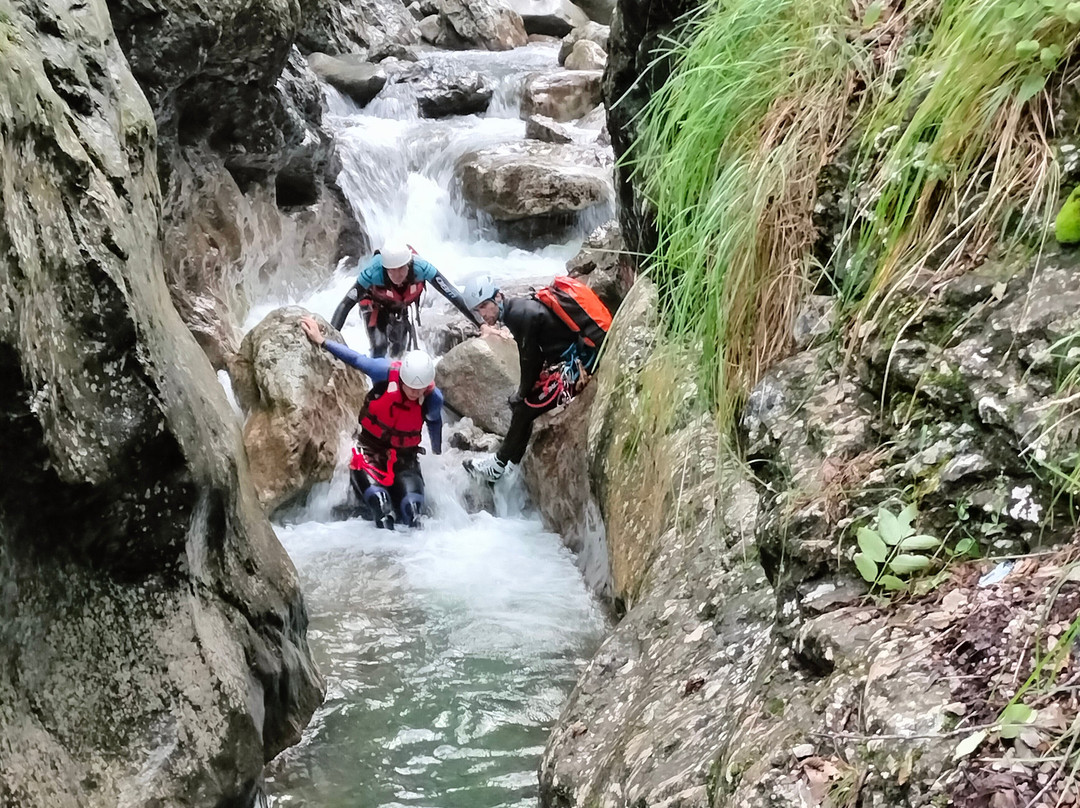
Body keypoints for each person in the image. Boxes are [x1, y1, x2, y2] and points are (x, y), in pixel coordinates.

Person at [459, 275, 609, 482]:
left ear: (499, 297)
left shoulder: (520, 315)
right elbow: (534, 356)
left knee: (523, 409)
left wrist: (522, 393)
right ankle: (513, 462)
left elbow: (530, 359)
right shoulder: (518, 309)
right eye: (478, 310)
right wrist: (524, 392)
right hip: (571, 360)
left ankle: (498, 464)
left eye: (485, 306)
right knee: (522, 406)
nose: (483, 314)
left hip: (578, 368)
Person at [300, 314, 443, 529]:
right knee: (382, 509)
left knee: (412, 514)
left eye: (420, 388)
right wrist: (322, 341)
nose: (415, 392)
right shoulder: (384, 374)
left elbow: (434, 423)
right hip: (368, 452)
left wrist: (438, 451)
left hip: (405, 460)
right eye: (410, 386)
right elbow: (357, 359)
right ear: (402, 377)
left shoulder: (433, 398)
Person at [330, 241, 480, 358]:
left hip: (399, 306)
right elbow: (346, 304)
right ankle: (378, 390)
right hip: (374, 304)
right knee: (379, 347)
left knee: (399, 350)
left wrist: (481, 324)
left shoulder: (421, 268)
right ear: (385, 268)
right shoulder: (372, 273)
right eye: (392, 270)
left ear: (408, 264)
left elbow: (451, 293)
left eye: (401, 268)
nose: (397, 275)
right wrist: (330, 339)